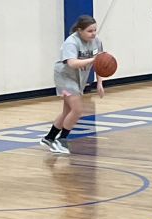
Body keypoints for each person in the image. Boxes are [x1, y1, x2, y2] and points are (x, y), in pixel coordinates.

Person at [41, 15, 105, 154]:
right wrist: (91, 60)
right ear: (79, 30)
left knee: (67, 111)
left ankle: (49, 137)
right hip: (64, 77)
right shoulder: (71, 42)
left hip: (78, 79)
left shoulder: (96, 41)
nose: (93, 33)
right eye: (90, 31)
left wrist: (100, 82)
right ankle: (61, 140)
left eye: (95, 30)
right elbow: (72, 63)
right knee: (77, 110)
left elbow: (100, 62)